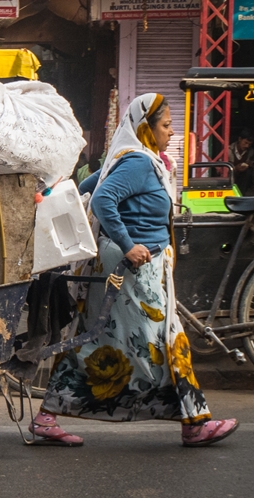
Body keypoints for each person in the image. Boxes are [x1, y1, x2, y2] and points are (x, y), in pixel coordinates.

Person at [29, 93, 238, 447]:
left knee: (108, 339)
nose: (172, 133)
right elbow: (101, 199)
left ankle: (48, 416)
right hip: (132, 269)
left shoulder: (135, 160)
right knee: (164, 341)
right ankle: (194, 422)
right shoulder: (138, 163)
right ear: (145, 128)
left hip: (140, 268)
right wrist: (127, 243)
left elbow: (86, 186)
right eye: (167, 125)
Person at [229, 128, 254, 195]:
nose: (247, 146)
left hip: (243, 180)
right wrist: (235, 168)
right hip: (231, 178)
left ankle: (241, 194)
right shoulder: (229, 149)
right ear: (240, 139)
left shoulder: (250, 152)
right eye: (245, 143)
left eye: (249, 144)